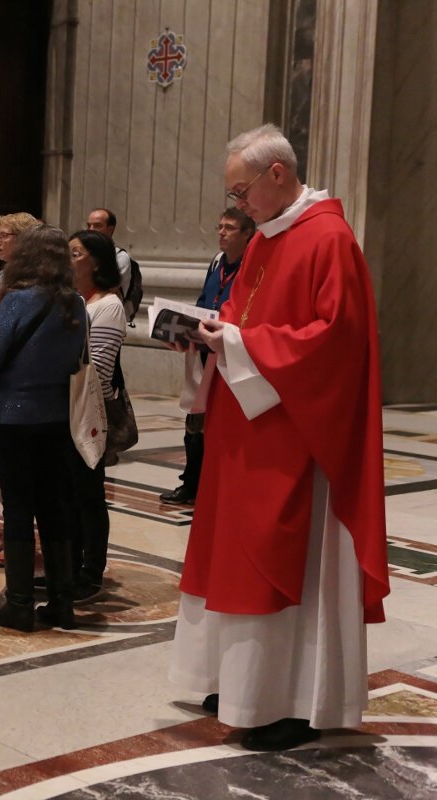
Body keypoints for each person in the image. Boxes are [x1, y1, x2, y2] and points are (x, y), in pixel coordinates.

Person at [170, 124, 389, 752]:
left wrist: (235, 341)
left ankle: (293, 699)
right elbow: (241, 315)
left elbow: (336, 342)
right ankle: (236, 682)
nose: (238, 207)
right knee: (233, 555)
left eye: (242, 192)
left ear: (277, 174)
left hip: (299, 438)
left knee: (285, 558)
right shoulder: (267, 241)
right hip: (248, 428)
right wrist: (206, 330)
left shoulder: (329, 238)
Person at [0, 226, 86, 631]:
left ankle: (19, 604)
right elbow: (76, 361)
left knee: (19, 506)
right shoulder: (76, 302)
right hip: (56, 416)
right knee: (54, 505)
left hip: (11, 415)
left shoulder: (18, 300)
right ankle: (61, 603)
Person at [160, 207, 254, 506]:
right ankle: (191, 484)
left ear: (248, 233)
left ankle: (218, 485)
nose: (221, 233)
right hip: (204, 350)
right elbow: (203, 300)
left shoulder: (253, 266)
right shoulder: (217, 263)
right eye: (220, 227)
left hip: (231, 352)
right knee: (194, 420)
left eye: (229, 228)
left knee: (221, 424)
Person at [0, 211, 43, 565]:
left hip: (13, 390)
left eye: (5, 236)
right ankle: (7, 534)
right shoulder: (8, 277)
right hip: (1, 387)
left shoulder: (27, 286)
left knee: (14, 476)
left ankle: (24, 542)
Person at [66, 229, 126, 602]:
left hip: (88, 413)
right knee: (66, 495)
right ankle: (68, 567)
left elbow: (100, 372)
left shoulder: (108, 306)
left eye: (75, 254)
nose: (68, 260)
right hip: (65, 408)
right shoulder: (73, 301)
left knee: (88, 495)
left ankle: (90, 572)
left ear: (97, 262)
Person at [85, 207, 133, 302]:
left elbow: (108, 288)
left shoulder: (120, 257)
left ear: (110, 229)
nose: (91, 229)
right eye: (89, 225)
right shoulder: (84, 253)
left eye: (97, 225)